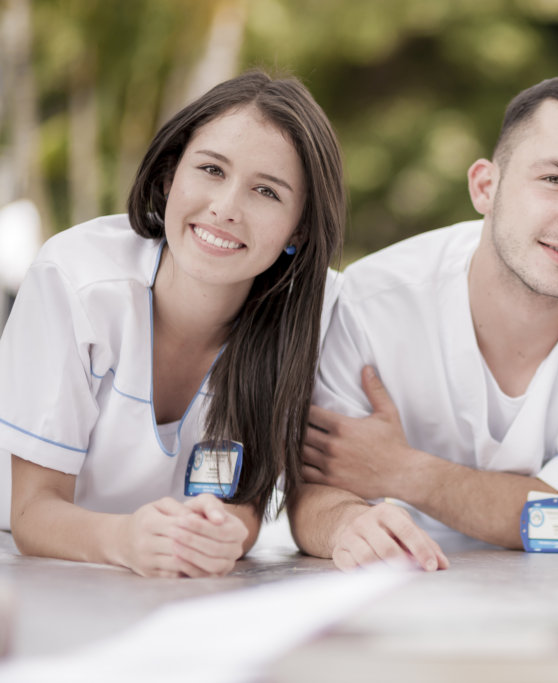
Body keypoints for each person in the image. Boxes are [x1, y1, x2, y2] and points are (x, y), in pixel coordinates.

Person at [289, 77, 558, 570]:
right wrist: (344, 524)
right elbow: (316, 486)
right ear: (485, 187)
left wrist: (402, 471)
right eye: (555, 179)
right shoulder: (371, 305)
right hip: (420, 586)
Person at [0, 70, 360, 578]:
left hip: (168, 583)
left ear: (298, 228)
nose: (225, 208)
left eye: (266, 191)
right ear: (170, 177)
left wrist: (223, 532)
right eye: (212, 170)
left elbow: (246, 502)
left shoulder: (318, 314)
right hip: (31, 569)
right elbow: (31, 513)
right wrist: (127, 539)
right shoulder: (75, 279)